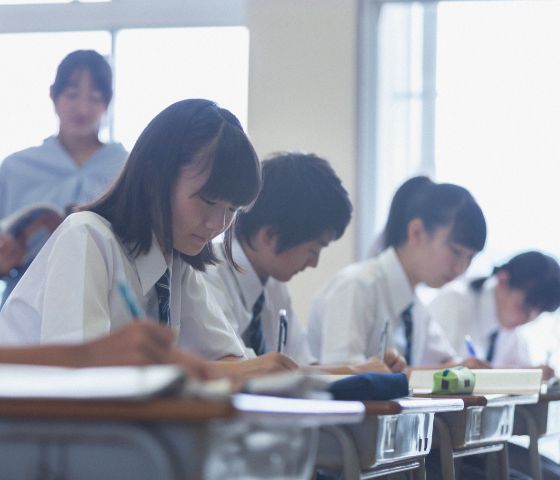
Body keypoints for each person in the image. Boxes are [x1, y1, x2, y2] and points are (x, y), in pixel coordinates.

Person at [0, 98, 298, 378]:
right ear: (155, 178)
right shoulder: (87, 237)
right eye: (207, 200)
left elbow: (226, 359)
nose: (217, 224)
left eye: (232, 209)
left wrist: (250, 369)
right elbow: (82, 379)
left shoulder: (174, 262)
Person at [204, 152, 406, 374]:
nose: (314, 263)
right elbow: (245, 370)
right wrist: (355, 372)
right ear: (270, 235)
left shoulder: (274, 287)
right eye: (312, 250)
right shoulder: (209, 275)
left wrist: (367, 369)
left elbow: (302, 366)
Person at [307, 177, 489, 368]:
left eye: (470, 258)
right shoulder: (357, 285)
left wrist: (462, 367)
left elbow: (444, 362)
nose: (460, 268)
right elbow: (341, 378)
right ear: (416, 232)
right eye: (456, 251)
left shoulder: (415, 307)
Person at [0, 50, 127, 304]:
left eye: (95, 98)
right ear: (53, 95)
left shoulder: (126, 166)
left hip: (104, 295)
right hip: (26, 298)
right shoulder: (15, 168)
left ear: (107, 104)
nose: (82, 108)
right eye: (71, 95)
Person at [429, 250, 560, 378]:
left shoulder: (511, 330)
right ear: (503, 280)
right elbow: (428, 373)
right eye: (524, 308)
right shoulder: (453, 302)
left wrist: (530, 374)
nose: (527, 319)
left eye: (539, 313)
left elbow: (521, 367)